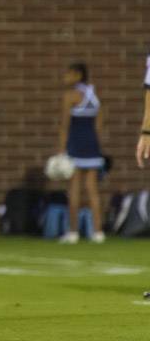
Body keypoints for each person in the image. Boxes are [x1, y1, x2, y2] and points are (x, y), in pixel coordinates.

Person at [57, 62, 106, 244]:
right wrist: (96, 144)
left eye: (68, 74)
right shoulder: (94, 96)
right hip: (92, 145)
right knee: (92, 190)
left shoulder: (70, 96)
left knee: (74, 189)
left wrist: (61, 149)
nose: (64, 77)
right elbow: (99, 125)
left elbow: (64, 125)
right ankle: (98, 232)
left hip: (76, 145)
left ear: (78, 75)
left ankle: (73, 232)